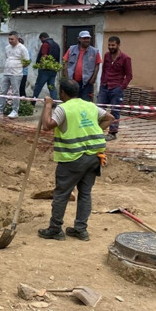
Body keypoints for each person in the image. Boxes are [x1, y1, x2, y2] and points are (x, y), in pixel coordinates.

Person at [38, 79, 114, 241]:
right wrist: (92, 130)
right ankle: (80, 229)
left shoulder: (63, 109)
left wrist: (48, 106)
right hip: (94, 156)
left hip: (73, 158)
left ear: (63, 93)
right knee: (85, 194)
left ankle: (55, 229)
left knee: (62, 194)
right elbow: (109, 117)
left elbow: (47, 125)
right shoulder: (90, 106)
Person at [97, 36, 132, 141]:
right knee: (99, 110)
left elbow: (129, 75)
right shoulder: (107, 56)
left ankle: (112, 133)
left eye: (113, 45)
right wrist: (102, 83)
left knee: (115, 111)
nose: (110, 47)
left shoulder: (125, 58)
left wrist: (121, 87)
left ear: (118, 45)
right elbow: (104, 71)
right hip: (104, 87)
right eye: (109, 45)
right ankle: (97, 131)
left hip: (116, 88)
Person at [0, 31, 29, 119]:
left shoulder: (22, 48)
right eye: (9, 39)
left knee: (15, 92)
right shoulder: (7, 48)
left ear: (17, 39)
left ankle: (15, 111)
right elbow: (6, 58)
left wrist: (18, 67)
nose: (10, 41)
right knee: (2, 91)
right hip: (6, 72)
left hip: (16, 74)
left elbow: (27, 61)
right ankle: (0, 109)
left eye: (12, 39)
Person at [62, 31, 101, 101]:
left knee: (85, 101)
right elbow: (65, 62)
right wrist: (67, 77)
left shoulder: (95, 51)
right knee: (72, 100)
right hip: (73, 81)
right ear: (79, 39)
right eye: (84, 38)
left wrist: (93, 79)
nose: (86, 40)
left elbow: (97, 65)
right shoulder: (71, 49)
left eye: (88, 38)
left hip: (86, 82)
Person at [32, 32, 61, 99]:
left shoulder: (45, 44)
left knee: (38, 86)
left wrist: (41, 65)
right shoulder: (56, 45)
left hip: (45, 70)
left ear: (42, 38)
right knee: (51, 86)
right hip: (53, 69)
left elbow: (44, 55)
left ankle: (33, 100)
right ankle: (54, 102)